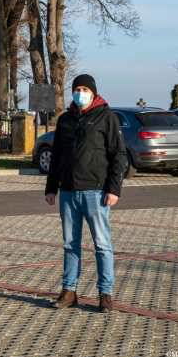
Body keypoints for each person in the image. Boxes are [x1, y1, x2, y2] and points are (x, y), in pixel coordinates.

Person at [45, 74, 126, 313]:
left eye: (84, 89)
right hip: (69, 192)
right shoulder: (65, 120)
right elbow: (57, 156)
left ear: (93, 92)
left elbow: (118, 156)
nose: (80, 93)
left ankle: (105, 293)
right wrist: (51, 187)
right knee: (70, 244)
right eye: (76, 89)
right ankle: (69, 291)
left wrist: (113, 188)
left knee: (102, 244)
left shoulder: (106, 117)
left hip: (96, 192)